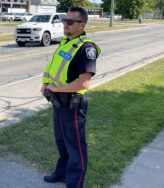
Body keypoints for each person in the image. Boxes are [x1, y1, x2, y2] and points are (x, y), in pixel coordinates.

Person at [41, 7, 100, 188]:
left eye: (70, 22)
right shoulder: (66, 42)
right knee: (62, 142)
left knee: (75, 148)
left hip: (73, 106)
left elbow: (83, 83)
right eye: (64, 20)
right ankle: (62, 173)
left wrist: (56, 90)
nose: (65, 24)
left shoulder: (86, 48)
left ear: (82, 25)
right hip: (59, 103)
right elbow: (53, 67)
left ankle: (74, 183)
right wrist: (45, 84)